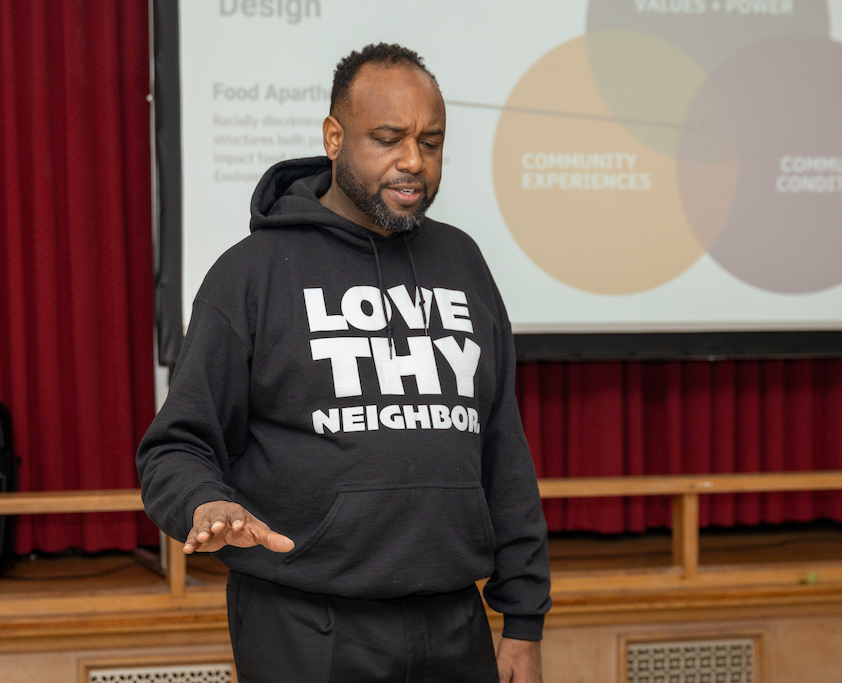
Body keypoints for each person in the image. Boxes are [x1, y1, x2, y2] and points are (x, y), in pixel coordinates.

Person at [137, 43, 551, 683]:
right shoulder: (250, 275)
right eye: (388, 139)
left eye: (431, 142)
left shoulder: (463, 263)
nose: (413, 161)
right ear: (334, 137)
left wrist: (523, 618)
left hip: (453, 619)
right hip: (306, 623)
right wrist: (203, 503)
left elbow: (502, 448)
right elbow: (175, 446)